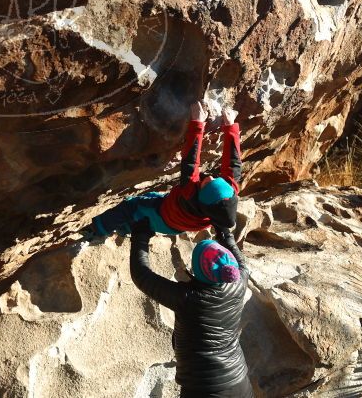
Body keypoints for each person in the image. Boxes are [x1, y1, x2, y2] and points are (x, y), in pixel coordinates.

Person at [129, 222, 253, 397]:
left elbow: (142, 275)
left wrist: (140, 233)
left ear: (198, 271)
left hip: (203, 387)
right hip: (239, 381)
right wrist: (223, 229)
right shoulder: (240, 280)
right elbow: (236, 256)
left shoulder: (189, 298)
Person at [92, 102, 241, 239]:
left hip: (163, 217)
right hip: (179, 225)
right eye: (217, 180)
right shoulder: (228, 193)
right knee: (150, 197)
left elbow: (191, 160)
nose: (211, 178)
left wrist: (198, 122)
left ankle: (96, 230)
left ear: (201, 194)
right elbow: (233, 163)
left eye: (207, 183)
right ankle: (125, 227)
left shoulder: (190, 192)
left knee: (131, 205)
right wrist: (231, 126)